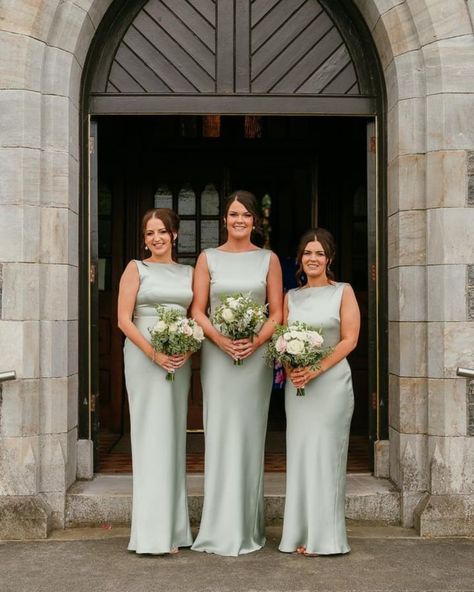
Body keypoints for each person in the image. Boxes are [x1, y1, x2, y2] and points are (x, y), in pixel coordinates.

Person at [191, 190, 283, 556]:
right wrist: (221, 340)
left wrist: (254, 341)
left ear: (254, 221)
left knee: (248, 435)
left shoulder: (269, 260)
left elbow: (276, 312)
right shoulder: (207, 258)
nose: (239, 220)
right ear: (224, 220)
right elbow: (198, 310)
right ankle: (218, 527)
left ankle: (248, 526)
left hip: (254, 359)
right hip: (217, 356)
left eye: (245, 214)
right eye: (233, 214)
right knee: (219, 433)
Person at [279, 228, 360, 556]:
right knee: (300, 457)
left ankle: (326, 539)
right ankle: (299, 534)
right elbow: (282, 340)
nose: (313, 259)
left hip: (330, 386)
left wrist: (317, 369)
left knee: (326, 456)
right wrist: (291, 370)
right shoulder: (291, 297)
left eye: (319, 254)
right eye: (308, 253)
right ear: (300, 259)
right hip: (298, 389)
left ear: (329, 259)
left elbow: (349, 339)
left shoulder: (343, 292)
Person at [117, 208, 193, 555]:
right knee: (149, 437)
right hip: (144, 357)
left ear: (174, 235)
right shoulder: (136, 268)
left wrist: (186, 351)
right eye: (150, 233)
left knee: (174, 437)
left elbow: (195, 318)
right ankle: (150, 534)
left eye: (162, 231)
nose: (156, 238)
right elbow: (123, 319)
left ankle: (174, 530)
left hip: (179, 361)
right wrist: (153, 353)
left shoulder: (188, 273)